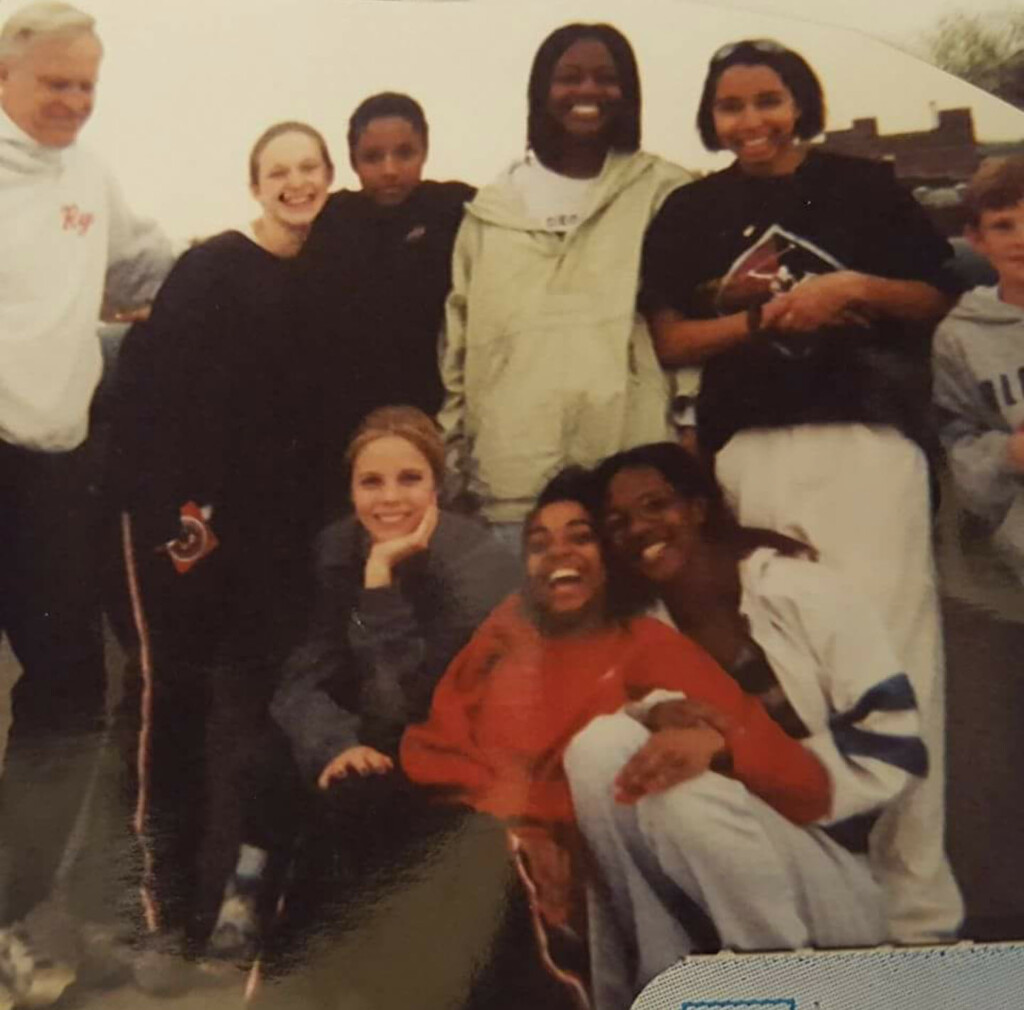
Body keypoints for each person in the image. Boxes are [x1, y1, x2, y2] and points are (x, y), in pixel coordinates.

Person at [639, 37, 962, 942]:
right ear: (711, 116)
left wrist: (850, 287)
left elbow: (936, 294)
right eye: (732, 106)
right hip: (753, 454)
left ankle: (918, 911)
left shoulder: (863, 185)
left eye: (768, 100)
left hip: (868, 442)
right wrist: (759, 316)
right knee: (789, 670)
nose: (752, 122)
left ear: (799, 102)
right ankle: (830, 901)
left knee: (896, 662)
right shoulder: (692, 208)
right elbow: (670, 338)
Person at [401, 466, 835, 1008]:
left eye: (580, 537)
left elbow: (806, 784)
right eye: (539, 543)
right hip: (493, 855)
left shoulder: (647, 643)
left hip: (596, 886)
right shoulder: (507, 629)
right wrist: (510, 827)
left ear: (608, 556)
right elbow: (432, 748)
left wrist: (723, 745)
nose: (558, 554)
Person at [574, 441, 927, 1008]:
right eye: (619, 522)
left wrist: (730, 747)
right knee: (595, 748)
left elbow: (894, 750)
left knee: (681, 797)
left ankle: (777, 992)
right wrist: (653, 710)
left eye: (654, 505)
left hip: (833, 879)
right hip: (715, 878)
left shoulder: (800, 591)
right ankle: (654, 982)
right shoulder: (645, 629)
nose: (639, 528)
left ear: (698, 508)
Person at [112, 120, 334, 969]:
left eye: (309, 168)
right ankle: (161, 911)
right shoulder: (210, 269)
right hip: (195, 529)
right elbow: (152, 394)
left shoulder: (327, 272)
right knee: (175, 706)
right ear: (254, 183)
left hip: (285, 535)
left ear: (329, 176)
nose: (295, 183)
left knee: (284, 705)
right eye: (278, 170)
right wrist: (180, 515)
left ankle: (248, 896)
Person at [0, 0, 173, 995]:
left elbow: (158, 270)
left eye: (86, 86)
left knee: (69, 697)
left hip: (56, 467)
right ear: (6, 81)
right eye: (55, 83)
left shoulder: (90, 176)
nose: (72, 101)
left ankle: (14, 910)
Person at [253, 406, 521, 1004]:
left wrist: (379, 584)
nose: (389, 499)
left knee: (369, 806)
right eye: (370, 482)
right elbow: (301, 678)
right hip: (372, 741)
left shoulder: (476, 562)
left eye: (410, 479)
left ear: (437, 485)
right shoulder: (337, 547)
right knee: (288, 762)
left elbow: (403, 705)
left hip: (457, 752)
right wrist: (335, 745)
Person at [439, 22, 691, 545]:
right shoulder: (490, 211)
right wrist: (454, 463)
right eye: (569, 77)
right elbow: (459, 353)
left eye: (606, 77)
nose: (587, 92)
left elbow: (688, 327)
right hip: (513, 481)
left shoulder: (663, 192)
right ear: (541, 92)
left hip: (631, 471)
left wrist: (689, 428)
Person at [299, 92, 474, 488]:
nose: (390, 170)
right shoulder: (329, 219)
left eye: (404, 153)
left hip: (433, 420)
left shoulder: (452, 208)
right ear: (353, 161)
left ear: (425, 150)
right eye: (373, 157)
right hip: (346, 427)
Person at [933, 156, 1024, 583]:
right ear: (977, 238)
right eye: (1004, 225)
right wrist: (1008, 454)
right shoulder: (961, 336)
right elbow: (958, 446)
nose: (1021, 239)